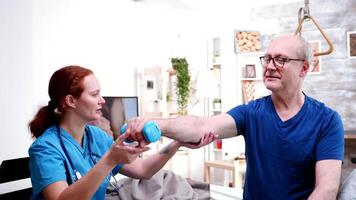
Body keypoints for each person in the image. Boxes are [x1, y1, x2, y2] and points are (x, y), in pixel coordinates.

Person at [126, 35, 344, 200]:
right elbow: (201, 125)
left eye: (281, 60)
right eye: (267, 58)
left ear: (304, 68)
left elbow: (326, 189)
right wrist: (156, 124)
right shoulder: (251, 113)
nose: (269, 66)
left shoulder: (327, 121)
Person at [28, 65, 215, 200]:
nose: (102, 100)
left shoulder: (96, 136)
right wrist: (110, 159)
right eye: (94, 95)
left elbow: (143, 170)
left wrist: (178, 143)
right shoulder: (45, 148)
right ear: (70, 101)